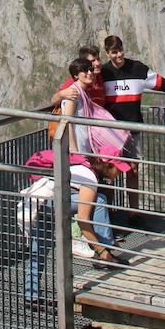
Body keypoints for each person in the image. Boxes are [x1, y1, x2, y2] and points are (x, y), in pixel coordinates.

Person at [24, 152, 130, 308]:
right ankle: (106, 253)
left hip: (39, 200)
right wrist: (101, 250)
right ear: (108, 165)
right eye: (118, 169)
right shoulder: (89, 178)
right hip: (52, 201)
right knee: (99, 200)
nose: (120, 173)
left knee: (38, 249)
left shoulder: (82, 166)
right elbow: (83, 221)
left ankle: (30, 296)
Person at [101, 34, 165, 220]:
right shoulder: (103, 73)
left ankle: (134, 212)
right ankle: (109, 213)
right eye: (114, 52)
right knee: (109, 172)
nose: (118, 55)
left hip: (133, 129)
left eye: (120, 50)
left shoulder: (138, 68)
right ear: (107, 53)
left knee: (133, 170)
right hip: (109, 132)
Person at [56, 57, 117, 247]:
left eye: (90, 70)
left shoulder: (81, 91)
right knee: (88, 195)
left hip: (83, 150)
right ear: (76, 75)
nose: (90, 73)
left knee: (90, 195)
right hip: (76, 154)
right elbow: (68, 123)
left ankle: (90, 239)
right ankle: (86, 240)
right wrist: (75, 153)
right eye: (85, 71)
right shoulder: (74, 93)